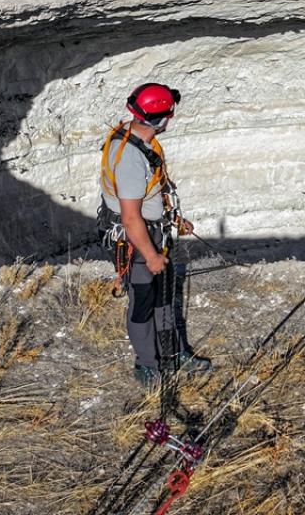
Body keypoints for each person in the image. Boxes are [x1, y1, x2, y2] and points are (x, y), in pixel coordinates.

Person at [98, 83, 211, 388]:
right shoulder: (130, 160)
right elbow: (131, 216)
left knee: (163, 297)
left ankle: (173, 354)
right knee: (143, 301)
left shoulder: (132, 138)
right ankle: (147, 365)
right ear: (160, 119)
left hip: (151, 231)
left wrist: (173, 217)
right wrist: (150, 255)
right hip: (136, 240)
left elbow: (152, 189)